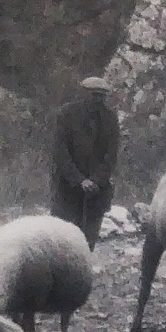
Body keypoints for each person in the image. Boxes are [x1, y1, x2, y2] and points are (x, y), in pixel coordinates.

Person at [50, 76, 120, 250]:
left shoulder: (110, 118)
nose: (98, 100)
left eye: (102, 96)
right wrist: (79, 180)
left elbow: (111, 155)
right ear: (84, 93)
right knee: (63, 236)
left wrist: (96, 180)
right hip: (68, 188)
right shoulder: (66, 115)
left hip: (96, 191)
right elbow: (60, 152)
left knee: (88, 239)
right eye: (94, 95)